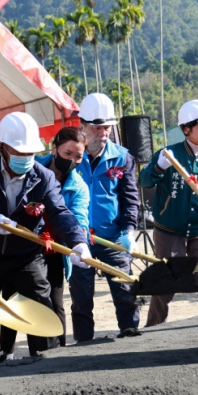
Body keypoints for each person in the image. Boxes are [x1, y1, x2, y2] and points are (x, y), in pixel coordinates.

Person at [0, 112, 91, 365]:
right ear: (2, 147)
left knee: (41, 309)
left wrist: (78, 241)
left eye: (30, 153)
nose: (26, 158)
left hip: (27, 257)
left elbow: (59, 212)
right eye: (20, 152)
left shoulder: (43, 176)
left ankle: (46, 363)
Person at [139, 99, 198, 326]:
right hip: (170, 231)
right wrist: (159, 166)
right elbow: (144, 180)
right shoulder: (169, 154)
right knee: (166, 284)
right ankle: (152, 330)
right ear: (186, 129)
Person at [74, 93, 141, 340]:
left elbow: (130, 199)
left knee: (125, 290)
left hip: (113, 238)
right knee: (81, 298)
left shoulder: (123, 157)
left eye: (107, 127)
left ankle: (130, 333)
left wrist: (128, 232)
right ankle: (83, 343)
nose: (104, 132)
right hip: (79, 240)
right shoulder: (71, 155)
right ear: (82, 126)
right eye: (97, 127)